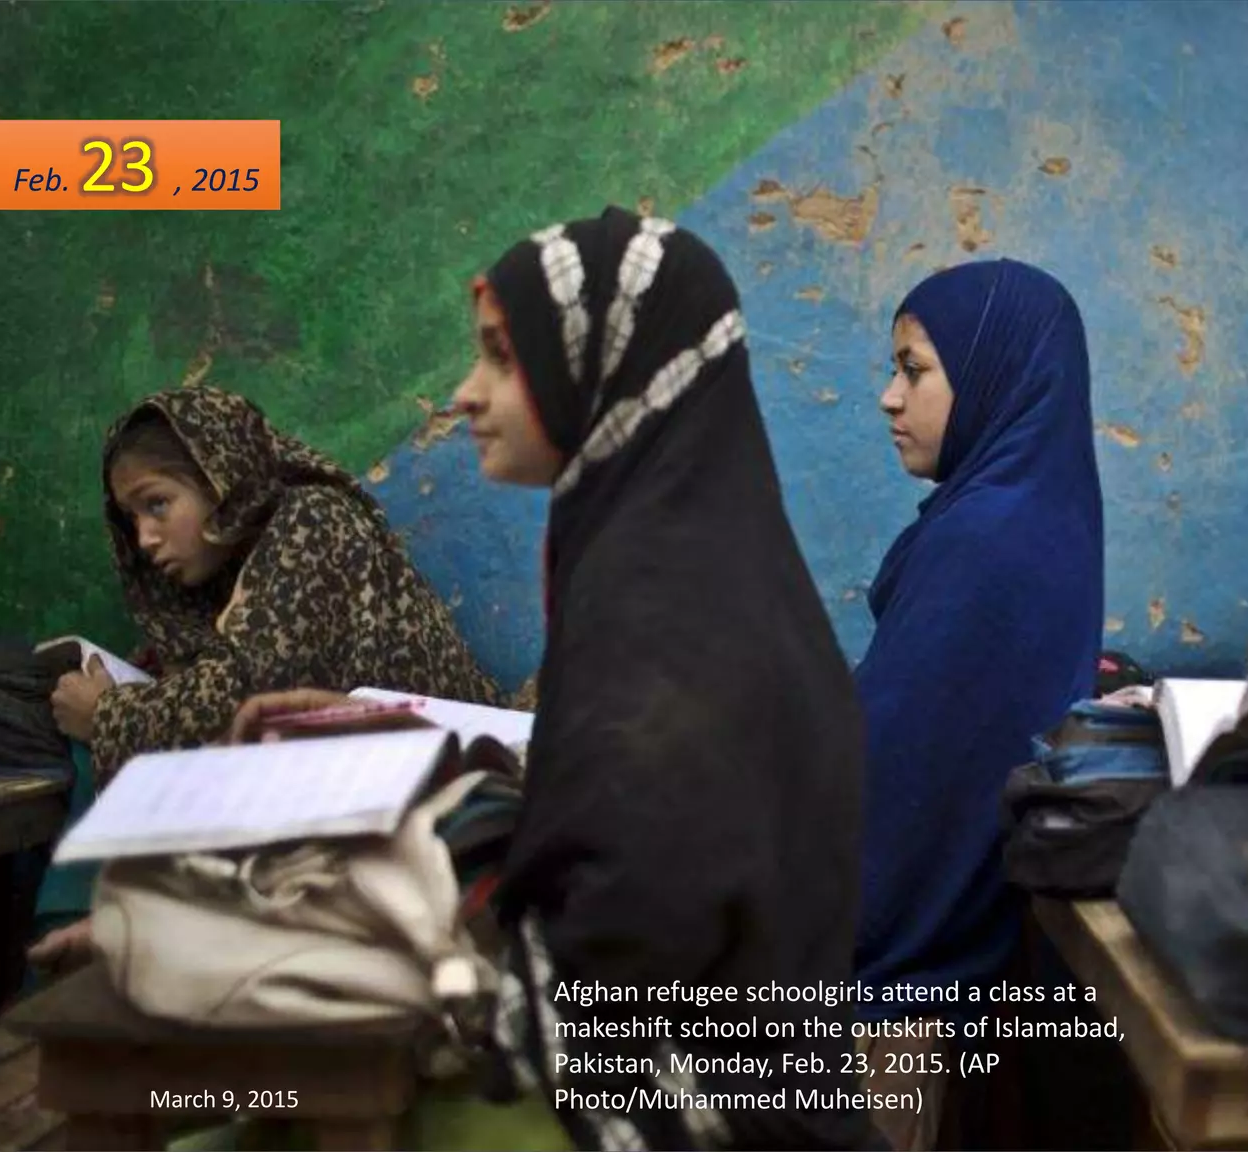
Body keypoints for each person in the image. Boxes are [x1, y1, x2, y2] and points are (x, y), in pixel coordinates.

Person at [237, 208, 872, 1151]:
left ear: (604, 364)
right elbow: (625, 803)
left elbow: (622, 942)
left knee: (254, 1111)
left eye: (502, 355)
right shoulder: (688, 549)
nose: (465, 393)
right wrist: (406, 746)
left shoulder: (657, 604)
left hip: (707, 1115)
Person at [29, 385, 498, 972]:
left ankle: (90, 940)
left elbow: (249, 697)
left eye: (157, 504)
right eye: (131, 519)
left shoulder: (311, 523)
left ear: (220, 477)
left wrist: (108, 715)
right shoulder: (225, 584)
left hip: (442, 775)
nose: (145, 539)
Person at [852, 258, 1105, 1150]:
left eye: (915, 369)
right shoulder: (1039, 509)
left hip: (905, 990)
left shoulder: (983, 544)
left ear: (996, 372)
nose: (889, 397)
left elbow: (896, 806)